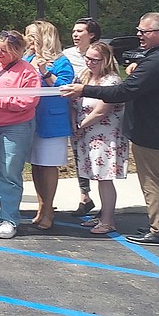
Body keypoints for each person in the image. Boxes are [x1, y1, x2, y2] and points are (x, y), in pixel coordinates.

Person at [63, 12, 159, 246]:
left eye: (143, 31)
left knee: (153, 181)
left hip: (151, 129)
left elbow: (123, 92)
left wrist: (83, 89)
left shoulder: (157, 60)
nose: (138, 35)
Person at [0, 31, 40, 239]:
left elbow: (29, 101)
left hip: (16, 127)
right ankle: (3, 213)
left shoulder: (28, 71)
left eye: (5, 49)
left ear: (17, 50)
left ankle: (10, 219)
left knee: (10, 172)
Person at [71, 42, 127, 235]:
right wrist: (74, 123)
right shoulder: (84, 76)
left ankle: (108, 220)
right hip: (86, 135)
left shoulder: (111, 81)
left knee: (105, 178)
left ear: (106, 60)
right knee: (95, 177)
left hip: (105, 137)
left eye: (95, 59)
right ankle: (102, 215)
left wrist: (81, 126)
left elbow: (102, 110)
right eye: (88, 58)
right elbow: (73, 101)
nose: (90, 62)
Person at [23, 20, 74, 230]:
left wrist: (45, 71)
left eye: (33, 36)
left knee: (48, 165)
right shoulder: (26, 58)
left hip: (52, 120)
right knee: (35, 164)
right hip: (29, 117)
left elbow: (66, 87)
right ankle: (41, 206)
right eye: (28, 35)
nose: (29, 40)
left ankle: (49, 209)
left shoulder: (62, 61)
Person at [63, 17, 103, 217]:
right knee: (79, 155)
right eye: (74, 31)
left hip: (99, 114)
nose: (75, 34)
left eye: (80, 31)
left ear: (92, 34)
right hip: (76, 110)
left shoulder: (101, 53)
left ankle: (106, 202)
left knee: (100, 159)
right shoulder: (67, 55)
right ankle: (84, 197)